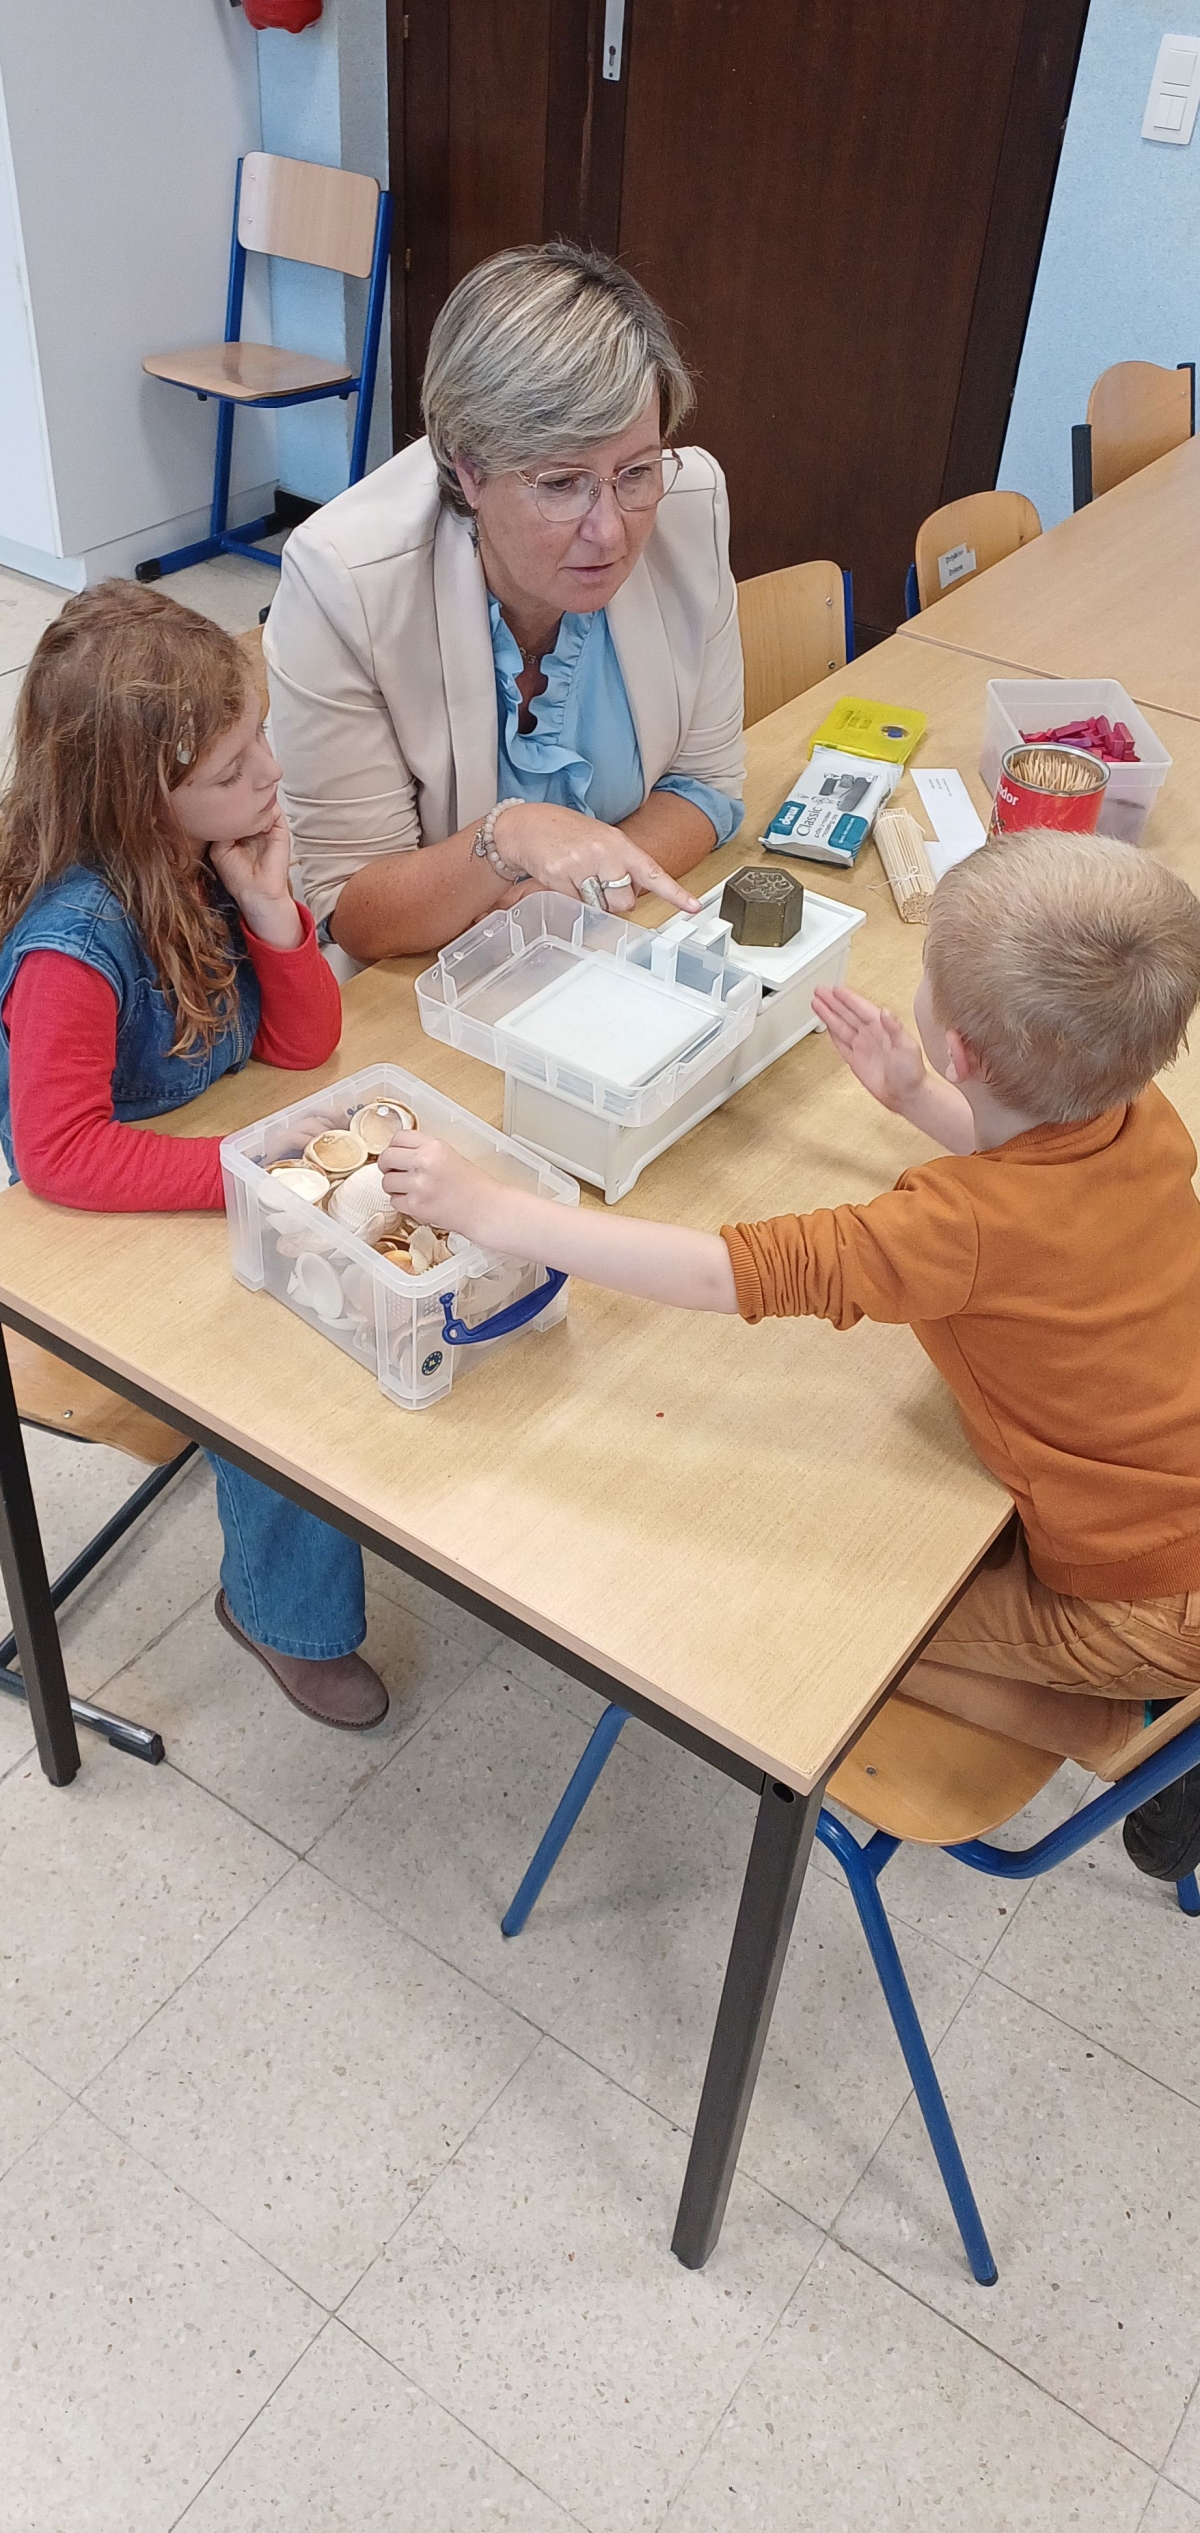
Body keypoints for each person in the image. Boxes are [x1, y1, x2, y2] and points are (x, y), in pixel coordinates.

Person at [379, 830, 1200, 1873]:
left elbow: (720, 1274)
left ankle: (1125, 1734)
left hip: (1143, 1602)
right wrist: (918, 1099)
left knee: (826, 1638)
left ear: (963, 1050)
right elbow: (1043, 1187)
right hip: (1173, 1517)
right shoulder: (1140, 1114)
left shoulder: (956, 1226)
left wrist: (490, 1207)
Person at [0, 582, 388, 1733]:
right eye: (232, 768)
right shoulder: (73, 944)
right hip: (98, 1227)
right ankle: (281, 1612)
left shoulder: (206, 853)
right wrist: (246, 1165)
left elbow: (301, 1045)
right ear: (139, 797)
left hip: (199, 1163)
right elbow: (60, 1156)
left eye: (260, 735)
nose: (271, 772)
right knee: (284, 1362)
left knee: (353, 1276)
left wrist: (269, 911)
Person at [264, 240, 745, 965]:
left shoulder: (690, 506)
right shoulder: (343, 580)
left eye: (636, 471)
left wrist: (566, 897)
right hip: (420, 983)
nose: (611, 530)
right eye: (561, 484)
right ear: (469, 469)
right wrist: (507, 838)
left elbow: (706, 787)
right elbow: (351, 908)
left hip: (599, 952)